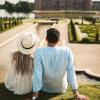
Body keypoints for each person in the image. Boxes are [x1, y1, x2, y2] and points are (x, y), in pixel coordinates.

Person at [32, 28, 89, 100]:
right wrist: (76, 94)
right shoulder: (67, 51)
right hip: (61, 89)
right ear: (59, 40)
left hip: (45, 88)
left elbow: (37, 73)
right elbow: (71, 72)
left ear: (46, 39)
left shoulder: (38, 52)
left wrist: (34, 97)